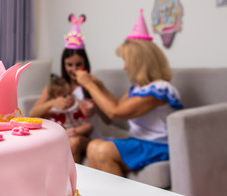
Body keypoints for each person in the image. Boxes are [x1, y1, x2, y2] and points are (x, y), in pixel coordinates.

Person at [75, 9, 183, 176]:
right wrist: (100, 85)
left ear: (140, 62)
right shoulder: (139, 88)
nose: (125, 66)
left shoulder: (159, 89)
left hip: (159, 145)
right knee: (93, 146)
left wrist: (89, 85)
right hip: (139, 142)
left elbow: (114, 112)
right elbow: (118, 104)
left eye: (126, 61)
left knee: (103, 150)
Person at [29, 14, 103, 164]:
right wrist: (52, 103)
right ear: (63, 64)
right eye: (70, 65)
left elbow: (108, 119)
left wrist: (96, 108)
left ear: (85, 64)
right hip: (64, 133)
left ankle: (73, 185)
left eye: (78, 65)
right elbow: (32, 114)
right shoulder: (57, 85)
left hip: (87, 134)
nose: (74, 69)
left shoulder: (92, 83)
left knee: (74, 141)